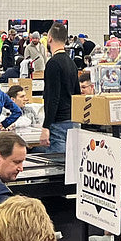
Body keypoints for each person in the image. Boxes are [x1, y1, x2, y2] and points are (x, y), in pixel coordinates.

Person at [40, 23, 79, 154]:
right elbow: (77, 94)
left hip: (58, 124)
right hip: (72, 121)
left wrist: (46, 126)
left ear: (49, 38)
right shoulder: (71, 63)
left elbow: (53, 97)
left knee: (57, 168)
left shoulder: (53, 64)